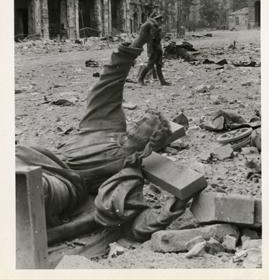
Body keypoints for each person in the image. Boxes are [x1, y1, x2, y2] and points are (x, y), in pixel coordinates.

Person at [16, 19, 188, 242]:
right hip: (37, 158)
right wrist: (139, 40)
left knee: (35, 189)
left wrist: (174, 208)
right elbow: (110, 80)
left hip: (64, 184)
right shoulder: (106, 125)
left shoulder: (127, 171)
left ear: (150, 143)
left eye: (147, 125)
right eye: (141, 120)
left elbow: (134, 222)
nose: (137, 123)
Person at [138, 10, 170, 86]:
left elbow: (158, 39)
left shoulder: (157, 27)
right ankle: (140, 79)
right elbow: (151, 39)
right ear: (156, 20)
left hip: (158, 48)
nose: (161, 21)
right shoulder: (152, 27)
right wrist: (151, 51)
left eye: (160, 19)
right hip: (153, 49)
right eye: (159, 19)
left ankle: (162, 81)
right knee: (150, 65)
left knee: (159, 65)